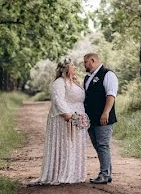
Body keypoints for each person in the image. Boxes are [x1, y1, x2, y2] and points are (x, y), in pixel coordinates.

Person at [38, 56, 88, 184]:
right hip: (65, 119)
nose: (75, 68)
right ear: (66, 68)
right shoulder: (59, 82)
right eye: (73, 66)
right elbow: (58, 99)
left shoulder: (75, 82)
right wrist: (68, 115)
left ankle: (75, 173)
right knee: (66, 144)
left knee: (74, 144)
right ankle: (61, 173)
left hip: (77, 118)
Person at [83, 52, 118, 184]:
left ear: (92, 60)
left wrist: (106, 113)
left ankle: (104, 175)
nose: (84, 65)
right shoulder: (87, 78)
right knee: (98, 146)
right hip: (91, 119)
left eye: (85, 62)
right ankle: (107, 174)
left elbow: (111, 95)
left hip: (103, 117)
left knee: (103, 145)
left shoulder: (108, 74)